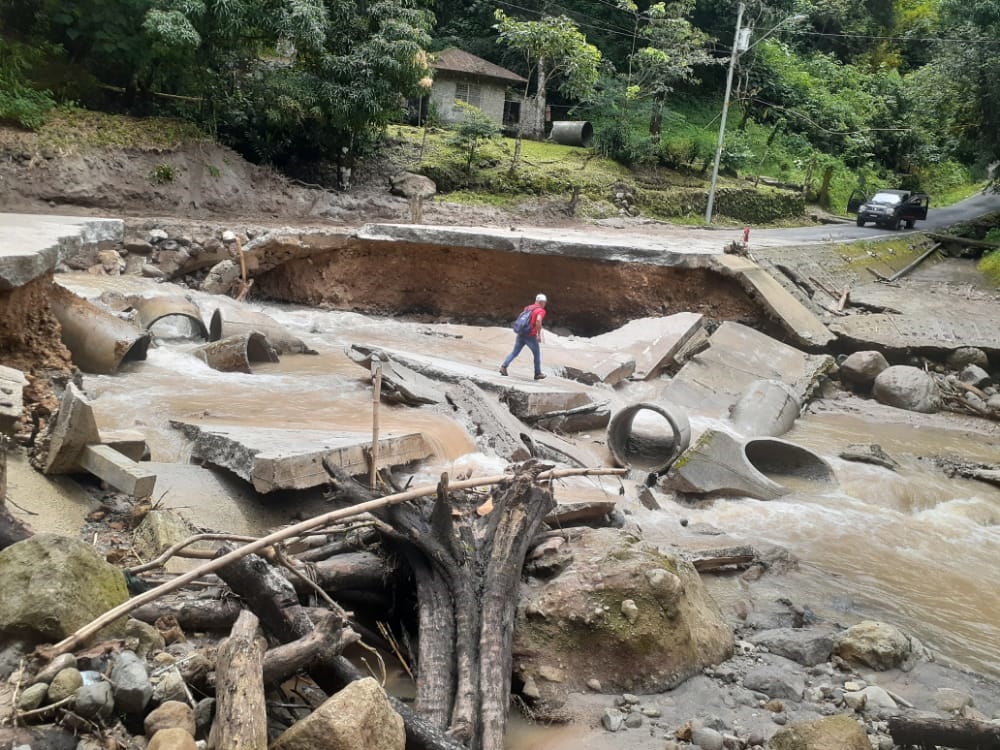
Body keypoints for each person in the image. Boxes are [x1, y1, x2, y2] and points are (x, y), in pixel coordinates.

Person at [500, 293, 547, 380]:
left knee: (515, 353)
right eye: (544, 302)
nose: (545, 304)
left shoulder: (528, 308)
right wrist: (538, 334)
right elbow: (538, 320)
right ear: (542, 302)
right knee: (537, 354)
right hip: (530, 336)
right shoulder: (541, 310)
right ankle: (537, 373)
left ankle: (503, 367)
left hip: (521, 333)